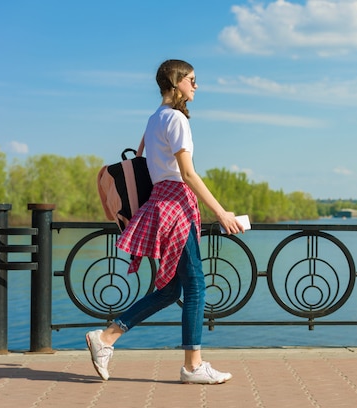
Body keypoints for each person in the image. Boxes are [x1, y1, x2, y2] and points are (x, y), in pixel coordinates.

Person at [86, 59, 244, 384]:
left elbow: (145, 161)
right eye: (192, 80)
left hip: (159, 203)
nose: (196, 86)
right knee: (196, 285)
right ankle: (193, 366)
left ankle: (107, 338)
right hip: (176, 204)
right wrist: (221, 212)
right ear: (176, 83)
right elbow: (187, 173)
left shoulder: (154, 118)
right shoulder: (176, 119)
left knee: (172, 289)